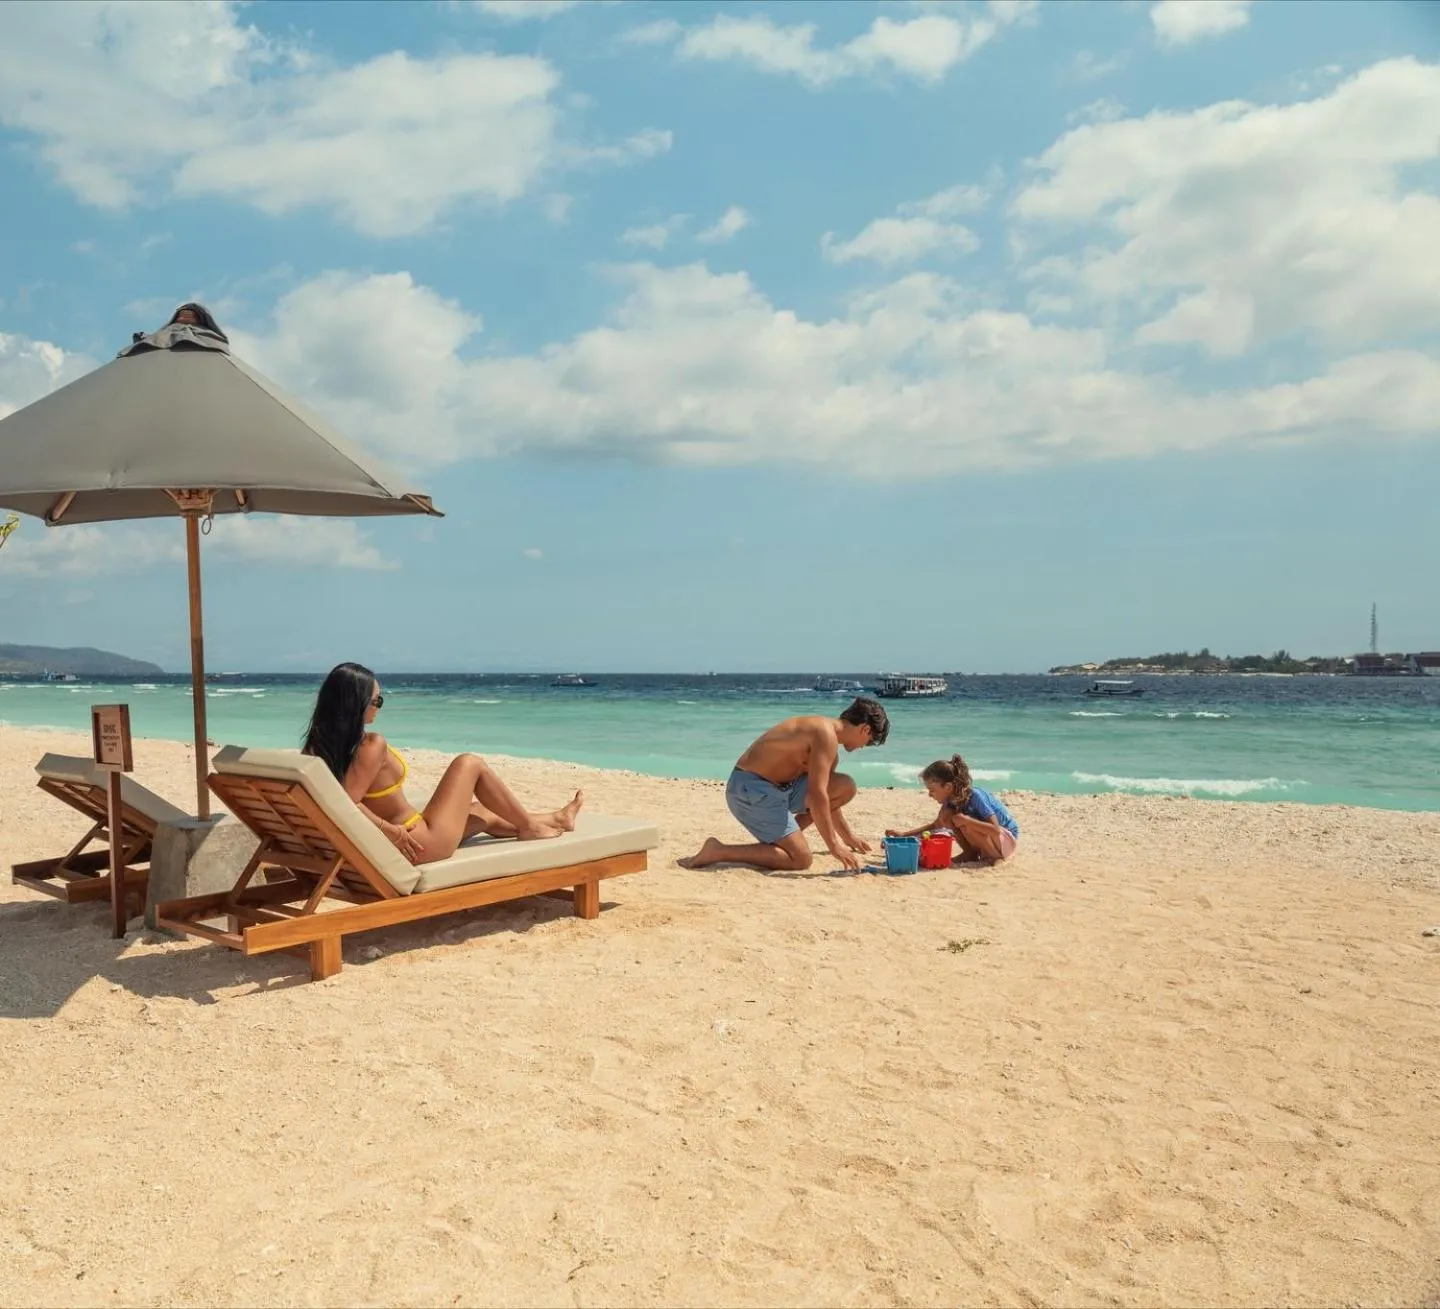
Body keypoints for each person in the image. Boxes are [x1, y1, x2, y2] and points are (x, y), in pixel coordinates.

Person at [301, 662, 582, 865]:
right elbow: (346, 802)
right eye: (377, 700)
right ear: (356, 703)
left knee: (481, 813)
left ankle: (556, 818)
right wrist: (392, 832)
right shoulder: (371, 746)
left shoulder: (317, 747)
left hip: (400, 839)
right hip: (417, 843)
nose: (379, 706)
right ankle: (531, 828)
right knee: (469, 763)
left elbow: (335, 801)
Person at [680, 697, 890, 873]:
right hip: (750, 789)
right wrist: (833, 845)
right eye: (870, 742)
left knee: (845, 786)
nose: (865, 747)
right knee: (801, 860)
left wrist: (847, 836)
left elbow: (825, 795)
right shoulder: (824, 734)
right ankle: (718, 851)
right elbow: (817, 796)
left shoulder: (830, 748)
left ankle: (787, 837)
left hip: (779, 790)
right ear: (865, 729)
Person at [886, 754, 1019, 865]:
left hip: (1006, 839)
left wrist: (967, 821)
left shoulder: (975, 795)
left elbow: (995, 830)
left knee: (966, 823)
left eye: (932, 790)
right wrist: (904, 835)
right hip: (993, 840)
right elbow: (936, 825)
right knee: (947, 815)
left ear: (948, 787)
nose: (930, 794)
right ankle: (970, 853)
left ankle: (992, 857)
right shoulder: (950, 801)